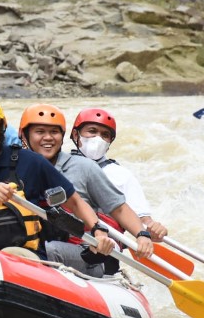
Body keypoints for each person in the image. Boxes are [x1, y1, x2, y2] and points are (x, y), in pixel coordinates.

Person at [0, 94, 111, 260]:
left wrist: (98, 229)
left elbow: (74, 202)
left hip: (29, 255)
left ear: (1, 126)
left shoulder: (30, 161)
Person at [18, 103, 158, 277]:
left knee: (44, 249)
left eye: (54, 132)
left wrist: (142, 234)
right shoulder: (15, 167)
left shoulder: (85, 167)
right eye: (40, 132)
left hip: (85, 252)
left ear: (62, 136)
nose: (48, 138)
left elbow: (119, 208)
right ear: (24, 135)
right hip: (37, 243)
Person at [69, 107, 168, 239]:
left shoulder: (122, 175)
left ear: (109, 142)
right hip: (65, 239)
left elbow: (144, 222)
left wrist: (157, 230)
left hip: (104, 249)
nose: (98, 138)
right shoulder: (59, 166)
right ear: (76, 135)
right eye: (92, 131)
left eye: (105, 135)